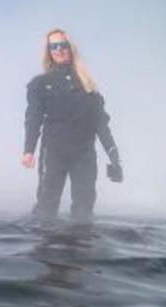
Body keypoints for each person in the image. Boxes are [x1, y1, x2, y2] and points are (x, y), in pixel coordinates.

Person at [22, 29, 122, 223]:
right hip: (53, 154)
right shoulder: (40, 84)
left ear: (71, 48)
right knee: (45, 210)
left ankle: (81, 251)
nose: (59, 50)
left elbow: (102, 126)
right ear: (49, 52)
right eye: (53, 46)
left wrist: (114, 158)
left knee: (83, 213)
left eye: (63, 45)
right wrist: (28, 150)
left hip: (84, 156)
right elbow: (33, 117)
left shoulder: (89, 88)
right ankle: (43, 252)